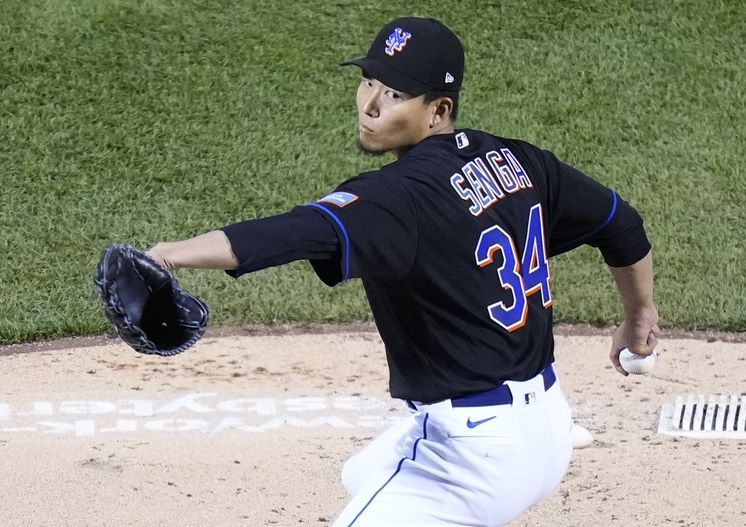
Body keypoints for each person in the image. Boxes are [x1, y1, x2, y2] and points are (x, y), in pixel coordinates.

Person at [145, 17, 660, 527]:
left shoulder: (399, 197)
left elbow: (286, 234)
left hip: (474, 457)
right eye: (368, 80)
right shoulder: (521, 161)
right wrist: (640, 316)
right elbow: (622, 223)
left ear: (438, 110)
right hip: (548, 426)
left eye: (392, 94)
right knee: (361, 475)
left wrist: (168, 255)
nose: (369, 105)